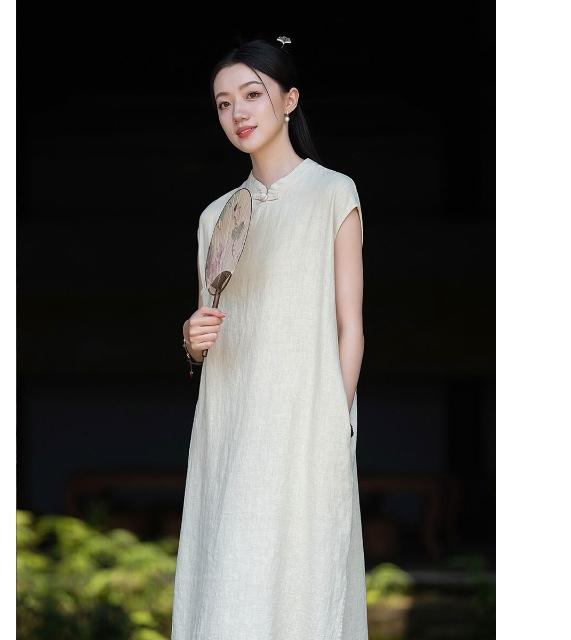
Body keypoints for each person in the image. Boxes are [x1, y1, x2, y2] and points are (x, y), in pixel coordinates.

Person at [173, 37, 367, 640]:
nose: (238, 112)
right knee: (231, 576)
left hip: (306, 422)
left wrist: (335, 418)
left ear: (289, 100)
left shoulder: (332, 192)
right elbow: (211, 325)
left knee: (304, 576)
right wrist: (192, 340)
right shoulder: (216, 216)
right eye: (223, 103)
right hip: (230, 423)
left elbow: (350, 324)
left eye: (252, 95)